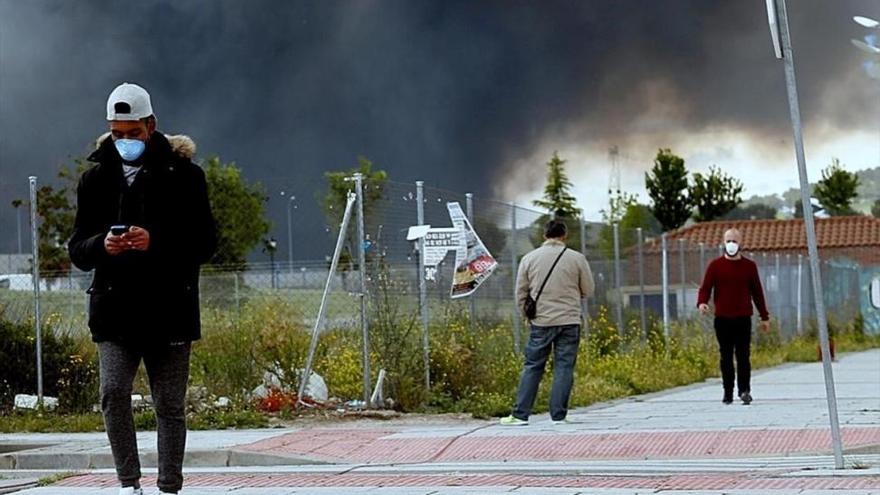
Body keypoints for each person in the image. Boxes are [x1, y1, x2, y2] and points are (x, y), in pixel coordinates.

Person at [69, 83, 217, 495]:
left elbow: (206, 242)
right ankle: (127, 483)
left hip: (170, 310)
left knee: (169, 405)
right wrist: (104, 245)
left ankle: (169, 485)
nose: (125, 142)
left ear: (150, 125)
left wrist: (157, 242)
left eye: (132, 133)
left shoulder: (186, 176)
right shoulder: (94, 180)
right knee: (113, 393)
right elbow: (78, 248)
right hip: (115, 311)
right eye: (117, 134)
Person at [500, 219, 595, 426]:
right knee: (564, 367)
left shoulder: (529, 258)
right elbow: (588, 290)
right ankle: (558, 415)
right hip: (569, 320)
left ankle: (520, 414)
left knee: (533, 366)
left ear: (545, 235)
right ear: (564, 235)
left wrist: (527, 316)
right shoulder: (577, 258)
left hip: (541, 322)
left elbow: (520, 293)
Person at [697, 228, 770, 406]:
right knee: (726, 355)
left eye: (735, 241)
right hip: (722, 318)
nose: (731, 244)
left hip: (743, 317)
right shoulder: (715, 266)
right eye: (728, 240)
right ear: (723, 242)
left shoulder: (749, 267)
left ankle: (744, 390)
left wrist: (764, 316)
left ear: (741, 243)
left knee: (743, 355)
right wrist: (702, 302)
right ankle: (727, 391)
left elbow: (757, 292)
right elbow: (706, 287)